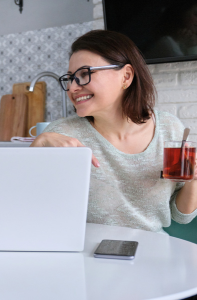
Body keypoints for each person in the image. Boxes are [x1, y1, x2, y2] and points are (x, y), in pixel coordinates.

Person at [31, 29, 197, 233]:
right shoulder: (63, 134)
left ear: (126, 76)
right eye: (70, 78)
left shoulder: (170, 130)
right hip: (87, 253)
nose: (72, 88)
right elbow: (30, 208)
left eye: (84, 74)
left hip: (152, 251)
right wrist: (36, 148)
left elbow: (181, 215)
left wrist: (193, 180)